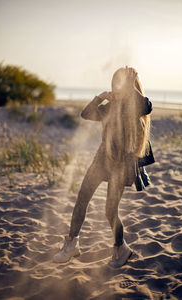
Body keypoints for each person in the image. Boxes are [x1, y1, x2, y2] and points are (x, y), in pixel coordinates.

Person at [53, 66, 155, 268]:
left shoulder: (135, 107)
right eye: (115, 81)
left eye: (121, 83)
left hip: (120, 166)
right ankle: (71, 244)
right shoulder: (109, 106)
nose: (117, 86)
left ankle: (121, 248)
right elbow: (86, 114)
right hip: (101, 161)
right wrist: (100, 97)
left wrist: (132, 86)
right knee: (82, 197)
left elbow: (147, 106)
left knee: (110, 211)